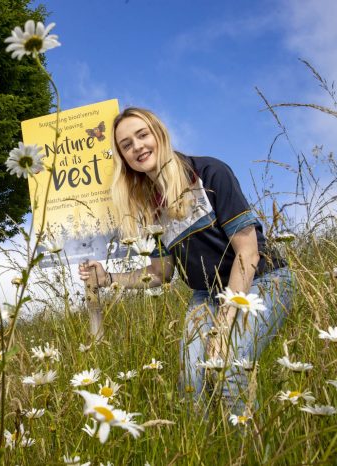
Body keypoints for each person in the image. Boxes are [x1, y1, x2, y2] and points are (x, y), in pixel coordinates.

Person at [78, 107, 292, 413]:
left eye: (142, 135)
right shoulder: (152, 208)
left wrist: (223, 325)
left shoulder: (209, 173)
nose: (137, 147)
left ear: (160, 135)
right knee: (192, 382)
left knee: (228, 366)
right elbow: (159, 272)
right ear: (123, 157)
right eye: (126, 145)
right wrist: (108, 279)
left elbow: (248, 252)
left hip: (260, 281)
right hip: (206, 293)